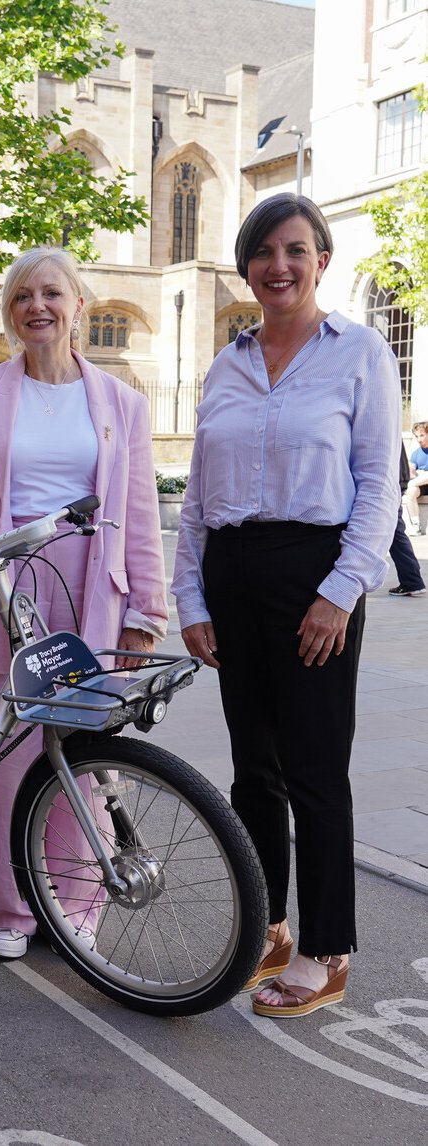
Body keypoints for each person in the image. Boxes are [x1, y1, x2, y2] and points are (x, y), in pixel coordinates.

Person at [172, 193, 400, 1018]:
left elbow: (380, 484)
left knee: (313, 769)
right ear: (246, 267)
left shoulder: (360, 353)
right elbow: (197, 496)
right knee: (252, 771)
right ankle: (266, 928)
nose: (279, 266)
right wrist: (190, 595)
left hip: (317, 572)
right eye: (264, 252)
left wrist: (340, 592)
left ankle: (326, 948)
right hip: (234, 573)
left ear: (321, 261)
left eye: (296, 250)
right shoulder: (227, 363)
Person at [0, 247, 168, 960]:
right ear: (9, 311)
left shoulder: (122, 404)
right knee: (0, 759)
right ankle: (5, 908)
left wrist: (145, 611)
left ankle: (77, 903)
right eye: (22, 295)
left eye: (52, 293)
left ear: (79, 307)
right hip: (0, 588)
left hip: (92, 589)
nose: (37, 306)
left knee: (84, 760)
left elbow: (140, 513)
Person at [388, 441, 426, 597]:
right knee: (395, 531)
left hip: (390, 480)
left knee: (395, 532)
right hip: (395, 477)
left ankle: (412, 581)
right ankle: (412, 580)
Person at [401, 421, 428, 534]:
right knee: (411, 490)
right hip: (421, 485)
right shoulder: (416, 453)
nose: (419, 439)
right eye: (417, 436)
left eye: (422, 435)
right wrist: (415, 473)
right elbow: (411, 473)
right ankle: (416, 525)